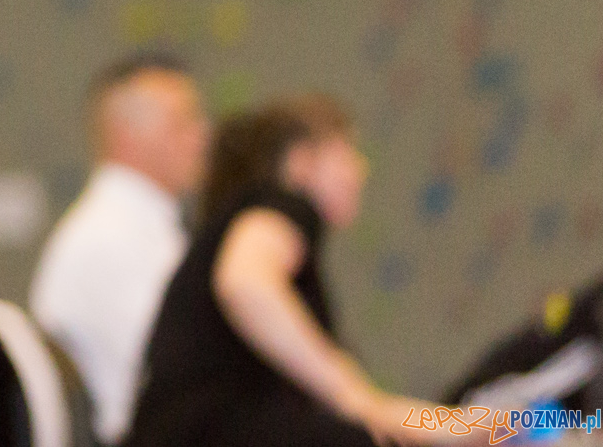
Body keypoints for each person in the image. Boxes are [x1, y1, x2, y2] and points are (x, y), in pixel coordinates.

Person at [128, 97, 431, 447]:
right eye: (346, 151)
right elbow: (244, 282)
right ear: (300, 162)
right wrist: (354, 397)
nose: (361, 169)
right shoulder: (280, 206)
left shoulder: (244, 222)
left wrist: (455, 424)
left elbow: (382, 413)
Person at [29, 54, 211, 440]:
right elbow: (179, 379)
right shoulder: (106, 240)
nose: (202, 136)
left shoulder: (141, 230)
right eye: (183, 122)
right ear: (127, 134)